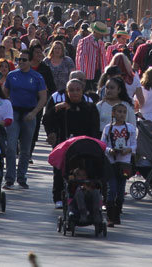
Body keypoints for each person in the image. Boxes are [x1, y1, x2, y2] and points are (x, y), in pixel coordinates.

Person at [43, 78, 100, 208]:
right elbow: (47, 121)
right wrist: (55, 109)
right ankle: (58, 197)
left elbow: (95, 127)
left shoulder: (90, 107)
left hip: (85, 144)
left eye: (78, 90)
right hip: (64, 143)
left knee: (88, 169)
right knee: (59, 171)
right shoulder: (62, 107)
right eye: (71, 90)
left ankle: (89, 194)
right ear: (67, 92)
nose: (75, 93)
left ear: (82, 91)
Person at [2, 48, 47, 190]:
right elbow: (5, 93)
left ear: (30, 61)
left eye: (24, 60)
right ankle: (9, 178)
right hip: (14, 112)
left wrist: (34, 112)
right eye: (19, 60)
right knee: (10, 146)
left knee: (25, 149)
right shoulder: (11, 75)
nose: (21, 62)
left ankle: (22, 177)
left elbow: (43, 98)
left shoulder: (37, 77)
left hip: (29, 113)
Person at [101, 102, 138, 226]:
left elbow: (134, 145)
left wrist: (129, 149)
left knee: (121, 190)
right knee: (112, 189)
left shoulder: (130, 128)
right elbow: (103, 144)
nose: (121, 114)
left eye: (124, 112)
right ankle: (110, 217)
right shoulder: (108, 128)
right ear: (113, 113)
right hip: (112, 162)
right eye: (119, 112)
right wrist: (109, 150)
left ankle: (117, 214)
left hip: (124, 163)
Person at [75, 22, 107, 90]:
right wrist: (82, 74)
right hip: (87, 75)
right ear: (95, 32)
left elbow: (104, 59)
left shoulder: (101, 42)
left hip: (99, 74)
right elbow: (81, 58)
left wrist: (104, 73)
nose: (102, 35)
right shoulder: (84, 41)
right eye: (100, 33)